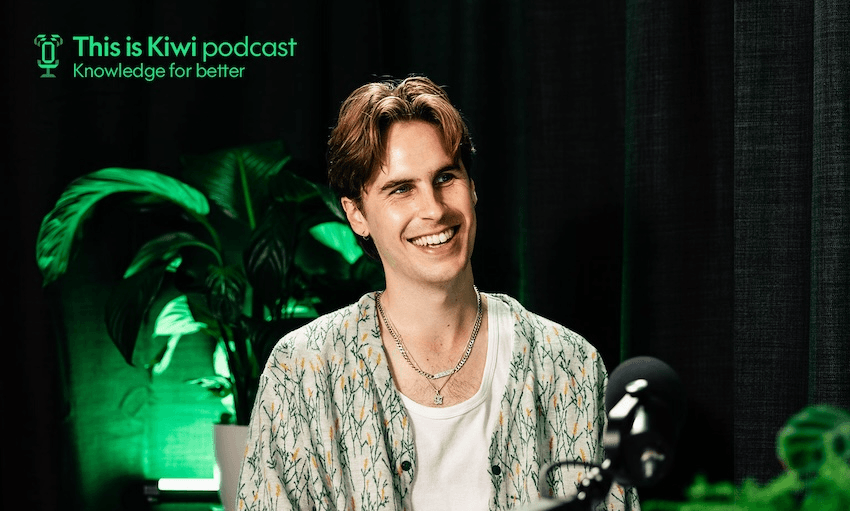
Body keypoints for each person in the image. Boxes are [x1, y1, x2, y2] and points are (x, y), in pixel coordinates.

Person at [236, 75, 641, 511]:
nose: (433, 209)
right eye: (401, 189)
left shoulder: (570, 365)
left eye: (445, 177)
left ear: (472, 187)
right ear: (356, 215)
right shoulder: (302, 371)